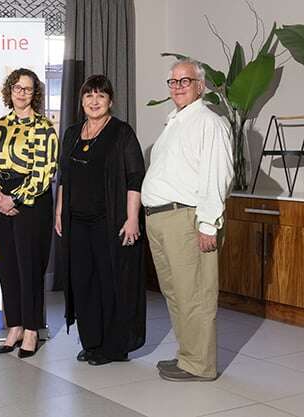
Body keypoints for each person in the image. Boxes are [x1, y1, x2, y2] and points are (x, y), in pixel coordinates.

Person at [141, 58, 233, 381]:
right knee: (177, 293)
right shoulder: (176, 121)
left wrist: (208, 224)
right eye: (173, 82)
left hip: (186, 219)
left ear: (200, 85)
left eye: (185, 81)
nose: (178, 87)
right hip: (162, 218)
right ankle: (188, 356)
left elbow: (217, 175)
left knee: (194, 294)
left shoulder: (208, 122)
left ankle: (201, 365)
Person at [55, 75, 146, 366]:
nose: (94, 102)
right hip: (76, 221)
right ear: (81, 101)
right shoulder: (71, 133)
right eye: (89, 96)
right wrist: (59, 212)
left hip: (110, 222)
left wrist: (133, 218)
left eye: (101, 97)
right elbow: (64, 178)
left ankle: (113, 346)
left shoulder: (121, 132)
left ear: (110, 101)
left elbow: (134, 178)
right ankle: (91, 341)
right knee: (83, 283)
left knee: (110, 282)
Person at [0, 68, 58, 358]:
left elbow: (44, 170)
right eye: (17, 87)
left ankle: (32, 329)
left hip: (31, 203)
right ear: (9, 91)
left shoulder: (44, 127)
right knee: (8, 265)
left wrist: (16, 199)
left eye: (27, 88)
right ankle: (14, 326)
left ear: (34, 93)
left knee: (30, 267)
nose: (21, 93)